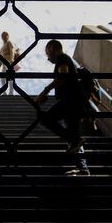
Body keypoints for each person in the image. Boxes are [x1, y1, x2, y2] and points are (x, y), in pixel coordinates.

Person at [35, 39, 89, 176]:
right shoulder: (64, 59)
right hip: (75, 102)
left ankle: (74, 140)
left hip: (70, 100)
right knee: (74, 141)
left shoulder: (62, 58)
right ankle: (83, 169)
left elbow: (63, 76)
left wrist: (44, 91)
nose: (47, 58)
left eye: (47, 53)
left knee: (44, 119)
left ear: (52, 48)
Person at [0, 31, 19, 95]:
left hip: (9, 62)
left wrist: (12, 59)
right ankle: (4, 92)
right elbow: (1, 57)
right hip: (4, 63)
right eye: (3, 35)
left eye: (5, 35)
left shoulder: (9, 43)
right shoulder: (2, 48)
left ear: (8, 36)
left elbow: (12, 51)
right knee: (2, 77)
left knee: (10, 77)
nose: (4, 36)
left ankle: (11, 92)